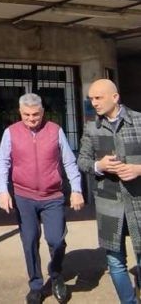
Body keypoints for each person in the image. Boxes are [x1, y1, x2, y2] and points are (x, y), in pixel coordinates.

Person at [0, 93, 84, 304]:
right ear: (20, 112)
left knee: (56, 240)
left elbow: (69, 162)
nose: (31, 119)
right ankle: (36, 285)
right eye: (26, 115)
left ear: (42, 112)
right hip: (24, 196)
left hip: (52, 196)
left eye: (35, 114)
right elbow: (3, 163)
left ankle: (56, 275)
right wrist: (3, 191)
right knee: (30, 240)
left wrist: (77, 189)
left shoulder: (55, 130)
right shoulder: (11, 132)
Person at [78, 79, 141, 304]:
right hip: (108, 204)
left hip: (138, 201)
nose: (94, 103)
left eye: (98, 97)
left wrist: (138, 169)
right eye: (91, 98)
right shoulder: (92, 127)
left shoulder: (139, 121)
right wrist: (99, 166)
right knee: (115, 262)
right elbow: (82, 161)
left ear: (115, 97)